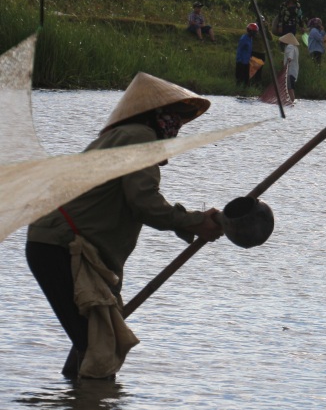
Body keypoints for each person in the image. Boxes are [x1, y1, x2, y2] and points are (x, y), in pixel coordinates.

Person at [26, 73, 224, 379]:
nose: (176, 126)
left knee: (95, 343)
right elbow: (144, 203)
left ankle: (75, 400)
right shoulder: (139, 138)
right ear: (156, 115)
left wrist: (192, 223)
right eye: (174, 116)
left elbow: (134, 204)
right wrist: (195, 222)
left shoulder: (126, 136)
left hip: (61, 245)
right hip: (61, 247)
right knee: (100, 347)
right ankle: (88, 406)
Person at [235, 22, 258, 87]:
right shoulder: (244, 39)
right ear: (250, 31)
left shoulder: (250, 38)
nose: (255, 34)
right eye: (255, 32)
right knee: (240, 79)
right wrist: (239, 61)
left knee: (246, 80)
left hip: (247, 62)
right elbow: (239, 50)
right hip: (241, 62)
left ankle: (245, 90)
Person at [279, 32, 300, 103]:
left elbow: (290, 58)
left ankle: (291, 102)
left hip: (290, 71)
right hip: (294, 71)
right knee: (290, 87)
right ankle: (291, 101)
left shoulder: (289, 47)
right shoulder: (295, 48)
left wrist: (285, 65)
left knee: (290, 88)